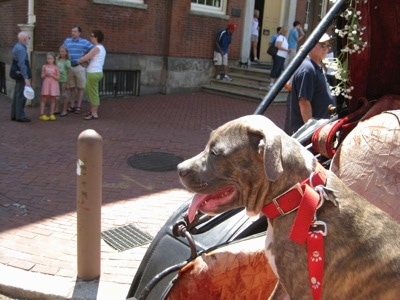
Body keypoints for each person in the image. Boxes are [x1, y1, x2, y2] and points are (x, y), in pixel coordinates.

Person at [284, 33, 336, 135]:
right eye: (322, 45)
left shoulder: (316, 66)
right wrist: (311, 132)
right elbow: (304, 102)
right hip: (309, 134)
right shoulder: (308, 69)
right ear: (311, 45)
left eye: (328, 45)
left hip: (320, 128)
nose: (326, 49)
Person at [63, 25, 93, 114]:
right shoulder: (67, 41)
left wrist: (87, 60)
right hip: (70, 67)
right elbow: (62, 50)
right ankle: (72, 105)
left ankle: (78, 106)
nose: (73, 33)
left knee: (80, 87)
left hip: (79, 66)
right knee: (72, 87)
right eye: (72, 31)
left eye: (75, 31)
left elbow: (94, 50)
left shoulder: (84, 42)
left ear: (79, 33)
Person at [78, 30, 106, 120]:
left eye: (92, 35)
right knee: (88, 90)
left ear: (96, 37)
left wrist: (80, 60)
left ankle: (94, 113)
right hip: (93, 72)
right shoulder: (100, 48)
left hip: (94, 73)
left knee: (93, 93)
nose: (90, 37)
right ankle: (92, 110)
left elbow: (86, 57)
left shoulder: (97, 48)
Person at [11, 31, 32, 122]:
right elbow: (22, 64)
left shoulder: (17, 46)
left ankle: (15, 114)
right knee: (21, 96)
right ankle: (20, 116)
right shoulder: (22, 49)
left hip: (17, 74)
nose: (28, 40)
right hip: (21, 75)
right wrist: (26, 78)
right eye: (28, 38)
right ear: (24, 39)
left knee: (17, 94)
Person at [39, 52, 60, 121]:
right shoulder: (44, 66)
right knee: (44, 98)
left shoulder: (56, 67)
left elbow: (58, 77)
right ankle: (42, 114)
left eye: (51, 58)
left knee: (53, 99)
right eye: (48, 58)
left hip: (53, 83)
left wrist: (52, 75)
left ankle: (52, 113)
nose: (49, 60)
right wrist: (45, 74)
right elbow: (42, 76)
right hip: (46, 83)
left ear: (54, 59)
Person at [56, 45, 72, 117]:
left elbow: (69, 72)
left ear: (66, 52)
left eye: (63, 51)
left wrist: (68, 82)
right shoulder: (57, 60)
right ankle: (57, 109)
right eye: (60, 51)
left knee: (64, 95)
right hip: (57, 80)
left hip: (64, 80)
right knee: (57, 95)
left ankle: (64, 110)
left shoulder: (67, 61)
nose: (62, 53)